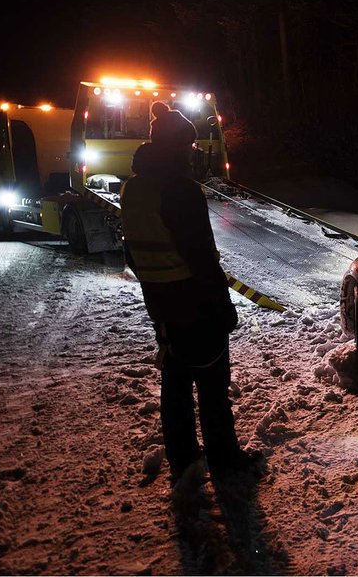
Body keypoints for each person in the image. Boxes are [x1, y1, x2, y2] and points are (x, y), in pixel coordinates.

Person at [121, 104, 260, 484]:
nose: (192, 153)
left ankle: (183, 457)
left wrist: (156, 286)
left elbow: (131, 250)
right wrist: (222, 305)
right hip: (195, 302)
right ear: (177, 147)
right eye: (189, 146)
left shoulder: (133, 188)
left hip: (161, 303)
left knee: (176, 380)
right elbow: (200, 256)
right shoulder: (180, 189)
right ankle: (224, 459)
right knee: (213, 383)